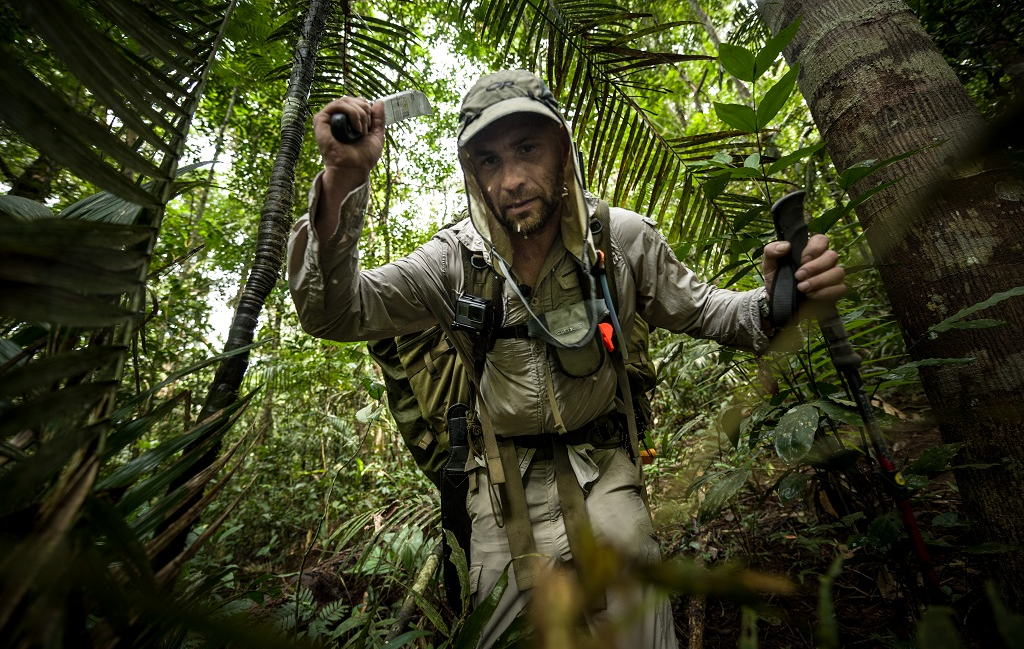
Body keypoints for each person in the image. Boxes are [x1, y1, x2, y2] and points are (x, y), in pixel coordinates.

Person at [287, 69, 846, 647]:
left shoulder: (621, 240)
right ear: (472, 173)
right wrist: (343, 181)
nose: (511, 180)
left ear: (563, 148)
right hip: (500, 492)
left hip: (604, 473)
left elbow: (708, 312)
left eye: (527, 148)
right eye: (488, 161)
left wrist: (778, 303)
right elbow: (336, 313)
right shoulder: (454, 261)